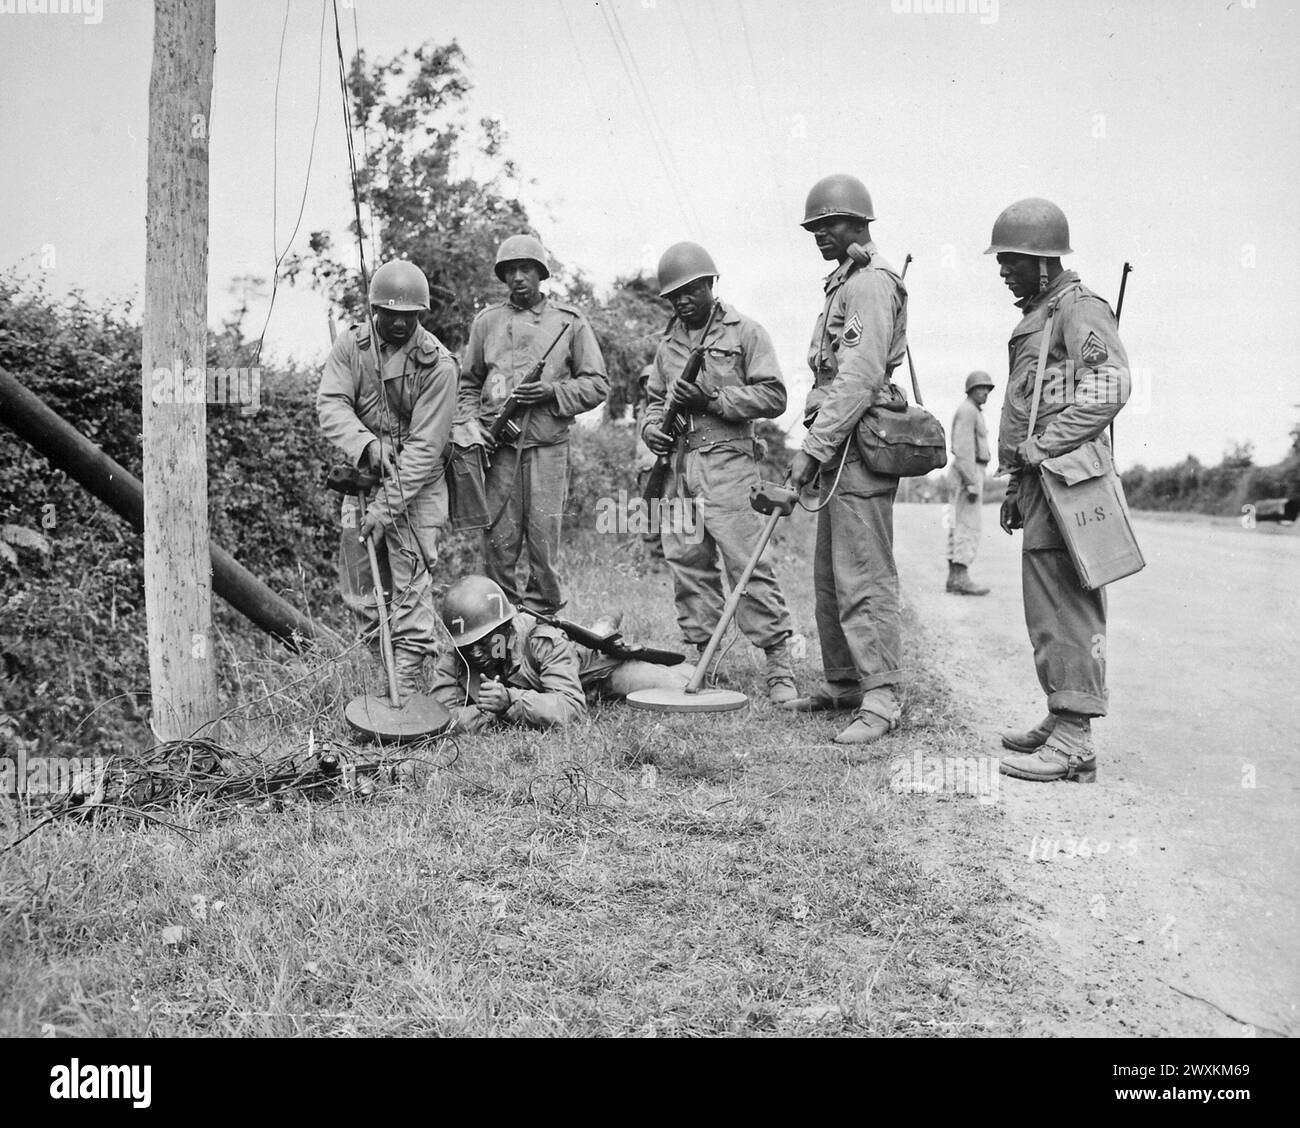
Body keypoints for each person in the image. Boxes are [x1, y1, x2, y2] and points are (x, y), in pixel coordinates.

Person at [987, 198, 1130, 783]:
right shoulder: (1042, 314)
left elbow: (1110, 384)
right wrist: (1019, 482)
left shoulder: (1078, 308)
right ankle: (1061, 712)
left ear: (1044, 262)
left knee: (1068, 603)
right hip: (1044, 485)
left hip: (1072, 483)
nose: (1003, 271)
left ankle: (1075, 735)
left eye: (1013, 261)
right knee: (1046, 604)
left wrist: (1046, 447)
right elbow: (1028, 408)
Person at [641, 242, 798, 703]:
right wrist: (652, 429)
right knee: (688, 563)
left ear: (710, 284)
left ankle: (778, 663)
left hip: (729, 463)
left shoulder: (746, 332)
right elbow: (654, 400)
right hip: (679, 467)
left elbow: (774, 395)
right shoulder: (667, 346)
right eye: (673, 296)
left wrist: (714, 400)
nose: (682, 301)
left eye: (690, 290)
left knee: (746, 563)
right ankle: (698, 657)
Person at [785, 175, 908, 745]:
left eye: (828, 225)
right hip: (838, 446)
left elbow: (858, 377)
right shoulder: (843, 284)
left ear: (860, 223)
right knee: (831, 575)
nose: (819, 236)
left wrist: (813, 449)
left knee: (864, 573)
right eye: (814, 228)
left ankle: (881, 696)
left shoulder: (871, 285)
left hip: (856, 445)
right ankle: (844, 684)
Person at [317, 260, 457, 696]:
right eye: (389, 313)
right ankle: (385, 687)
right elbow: (331, 404)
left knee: (410, 592)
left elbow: (424, 449)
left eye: (409, 315)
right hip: (362, 482)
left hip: (416, 489)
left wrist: (386, 506)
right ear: (374, 308)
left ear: (421, 314)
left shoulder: (439, 366)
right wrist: (365, 444)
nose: (398, 322)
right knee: (361, 594)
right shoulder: (351, 347)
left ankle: (411, 694)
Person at [456, 234, 609, 616]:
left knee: (544, 545)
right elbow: (468, 386)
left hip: (547, 449)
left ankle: (542, 629)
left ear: (540, 274)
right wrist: (473, 428)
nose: (518, 277)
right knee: (497, 544)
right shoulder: (487, 322)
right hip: (498, 452)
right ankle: (496, 630)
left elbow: (597, 384)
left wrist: (551, 392)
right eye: (510, 270)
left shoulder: (569, 323)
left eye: (526, 269)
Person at [429, 576, 692, 732]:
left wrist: (511, 701)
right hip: (547, 686)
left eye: (484, 642)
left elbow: (572, 708)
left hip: (591, 675)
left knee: (680, 687)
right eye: (467, 645)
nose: (475, 653)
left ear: (506, 628)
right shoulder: (462, 653)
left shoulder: (543, 640)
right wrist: (491, 712)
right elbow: (439, 717)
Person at [946, 371, 995, 595]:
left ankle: (955, 578)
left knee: (957, 524)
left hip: (968, 471)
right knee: (967, 525)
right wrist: (971, 481)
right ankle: (960, 578)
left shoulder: (972, 411)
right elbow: (963, 447)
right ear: (971, 389)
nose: (985, 392)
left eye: (988, 388)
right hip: (968, 471)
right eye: (981, 388)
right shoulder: (968, 411)